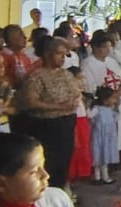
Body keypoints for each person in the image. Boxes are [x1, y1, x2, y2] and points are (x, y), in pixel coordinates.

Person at [13, 35, 84, 191]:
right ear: (47, 54)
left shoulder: (66, 74)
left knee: (64, 162)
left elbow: (77, 91)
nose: (63, 58)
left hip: (66, 123)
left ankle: (61, 190)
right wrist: (58, 106)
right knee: (49, 163)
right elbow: (31, 102)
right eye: (59, 54)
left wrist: (75, 99)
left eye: (65, 54)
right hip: (47, 126)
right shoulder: (36, 76)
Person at [90, 87, 121, 184]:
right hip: (99, 136)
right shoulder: (97, 109)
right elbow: (90, 116)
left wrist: (116, 108)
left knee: (105, 156)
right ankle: (97, 177)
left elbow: (116, 118)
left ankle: (105, 176)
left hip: (108, 137)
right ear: (105, 99)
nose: (114, 100)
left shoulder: (111, 109)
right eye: (112, 98)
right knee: (98, 155)